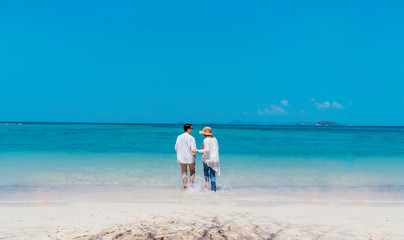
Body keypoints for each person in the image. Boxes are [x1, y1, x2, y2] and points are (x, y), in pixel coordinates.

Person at [196, 127, 220, 192]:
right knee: (212, 175)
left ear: (205, 133)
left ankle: (206, 182)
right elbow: (217, 148)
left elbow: (207, 150)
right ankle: (214, 190)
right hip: (215, 159)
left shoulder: (206, 140)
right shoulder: (215, 139)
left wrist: (197, 150)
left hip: (208, 159)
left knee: (205, 170)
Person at [175, 123, 198, 189]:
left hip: (182, 158)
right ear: (188, 129)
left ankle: (185, 187)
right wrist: (194, 155)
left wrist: (180, 154)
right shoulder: (191, 138)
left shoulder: (179, 137)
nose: (191, 129)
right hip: (190, 157)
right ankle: (191, 184)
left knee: (184, 173)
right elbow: (193, 149)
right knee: (192, 172)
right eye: (191, 128)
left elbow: (176, 148)